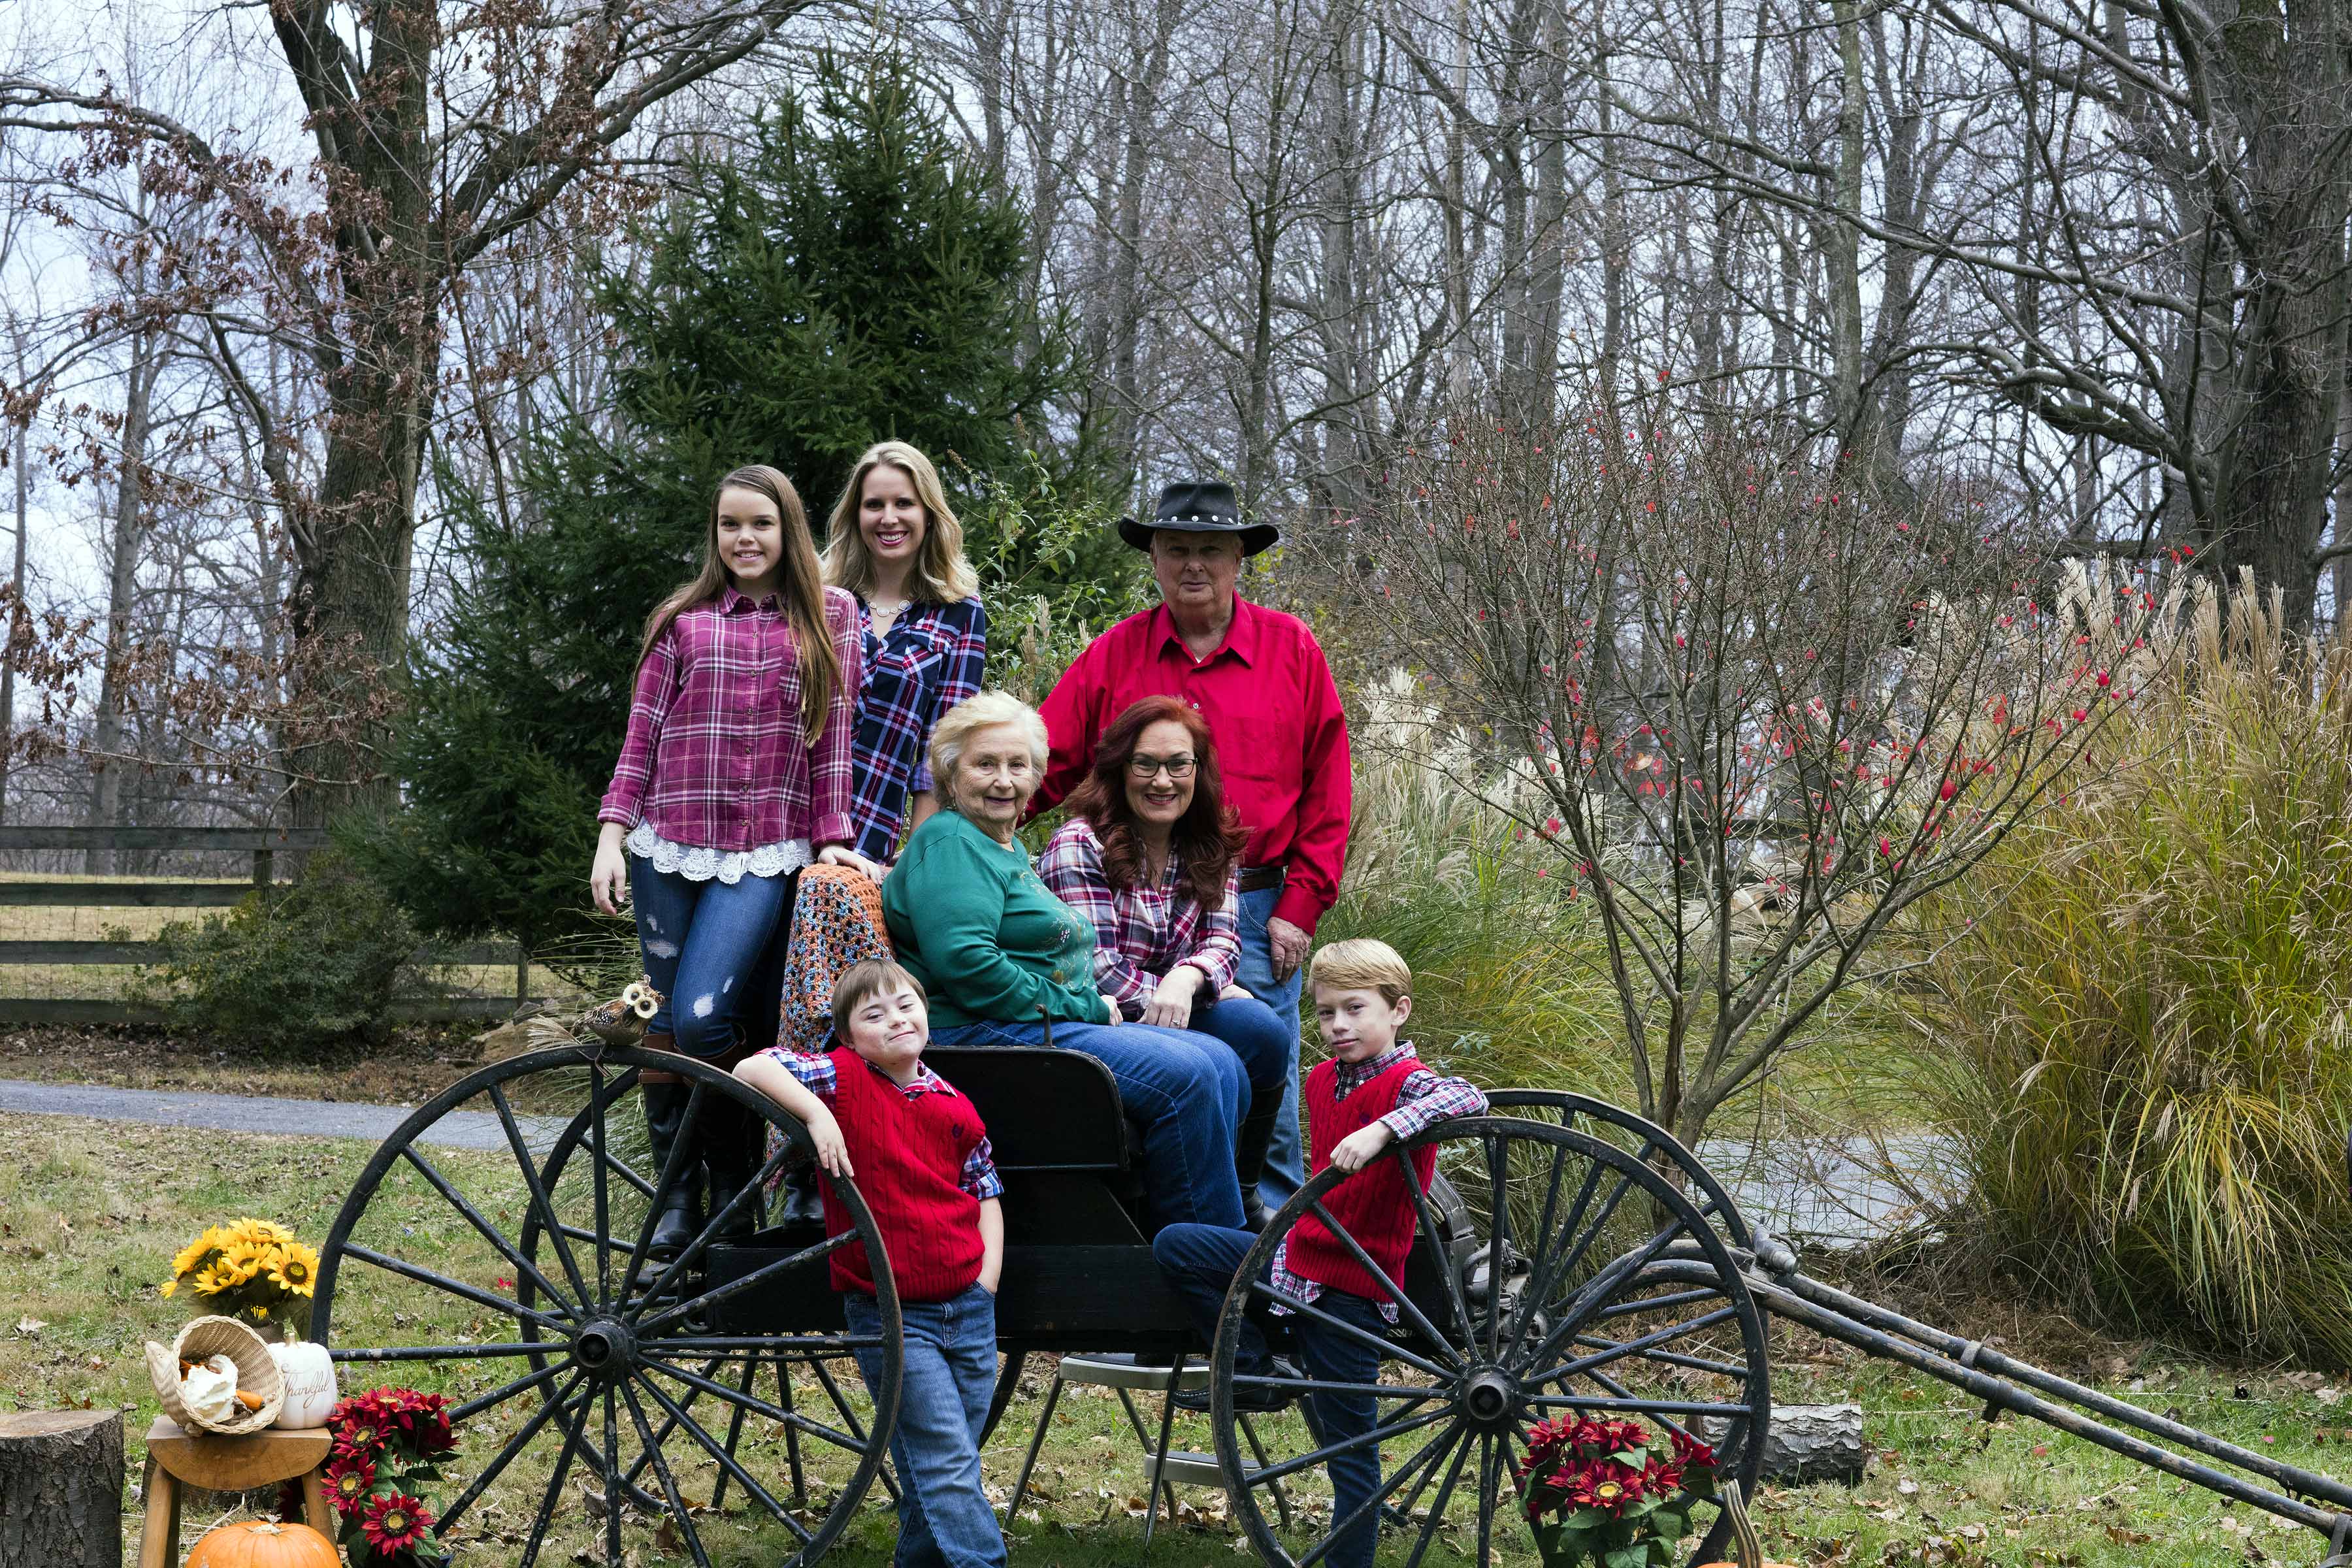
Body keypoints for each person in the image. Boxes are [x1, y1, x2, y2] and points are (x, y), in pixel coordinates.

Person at [1034, 479, 1351, 1213]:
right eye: (1177, 549)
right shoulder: (1116, 654)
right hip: (1124, 901)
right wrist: (963, 834)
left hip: (1253, 906)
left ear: (1239, 560)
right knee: (1160, 1088)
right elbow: (1043, 762)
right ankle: (1173, 1245)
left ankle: (1272, 1248)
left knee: (1266, 1097)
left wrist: (1301, 906)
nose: (1194, 565)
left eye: (1211, 550)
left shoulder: (1291, 649)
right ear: (1154, 559)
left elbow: (1329, 785)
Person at [589, 464, 869, 1258]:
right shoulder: (682, 620)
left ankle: (735, 1177)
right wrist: (612, 836)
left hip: (764, 851)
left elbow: (834, 738)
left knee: (705, 1017)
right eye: (730, 525)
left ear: (789, 530)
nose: (745, 538)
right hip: (667, 844)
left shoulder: (831, 616)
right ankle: (683, 1198)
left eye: (761, 524)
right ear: (714, 535)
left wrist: (831, 834)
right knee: (663, 1023)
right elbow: (642, 734)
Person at [1151, 939, 1488, 1568]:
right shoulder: (1320, 1079)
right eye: (1327, 1012)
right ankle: (1258, 1370)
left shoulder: (1409, 1085)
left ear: (1399, 1011)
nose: (1339, 1026)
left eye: (1356, 1009)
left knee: (1349, 1451)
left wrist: (1384, 1129)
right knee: (1180, 1246)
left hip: (1352, 1288)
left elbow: (1469, 1098)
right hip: (1293, 1259)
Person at [882, 691, 1249, 1230]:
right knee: (1191, 1075)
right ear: (951, 773)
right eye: (985, 765)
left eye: (1018, 765)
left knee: (1223, 1062)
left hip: (1025, 1024)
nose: (1004, 781)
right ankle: (1206, 1256)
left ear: (1036, 776)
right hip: (980, 1033)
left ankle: (1175, 1231)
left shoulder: (999, 846)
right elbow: (969, 967)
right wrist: (1085, 1005)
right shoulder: (951, 842)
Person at [735, 960, 1005, 1568]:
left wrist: (985, 1284)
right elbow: (751, 1068)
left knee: (947, 1453)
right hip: (894, 1312)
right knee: (945, 1456)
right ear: (850, 1037)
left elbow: (985, 1190)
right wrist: (817, 1114)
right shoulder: (842, 1077)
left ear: (926, 1014)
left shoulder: (955, 1105)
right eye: (874, 1015)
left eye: (906, 1006)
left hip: (968, 1307)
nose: (896, 1020)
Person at [1038, 695, 1292, 1226]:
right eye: (1145, 764)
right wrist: (1175, 992)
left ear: (1198, 770)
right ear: (1119, 768)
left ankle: (1243, 1193)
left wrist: (1190, 975)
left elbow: (1224, 942)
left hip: (1171, 1006)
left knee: (1262, 1031)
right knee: (1213, 1057)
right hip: (1098, 1015)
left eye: (1179, 765)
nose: (1162, 781)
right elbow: (1094, 967)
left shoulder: (1211, 842)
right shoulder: (1080, 844)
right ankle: (1192, 1228)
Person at [822, 440, 988, 867]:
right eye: (874, 505)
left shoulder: (960, 612)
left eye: (904, 503)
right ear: (855, 515)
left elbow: (942, 747)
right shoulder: (822, 599)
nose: (889, 517)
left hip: (868, 838)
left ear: (929, 514)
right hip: (782, 824)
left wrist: (915, 855)